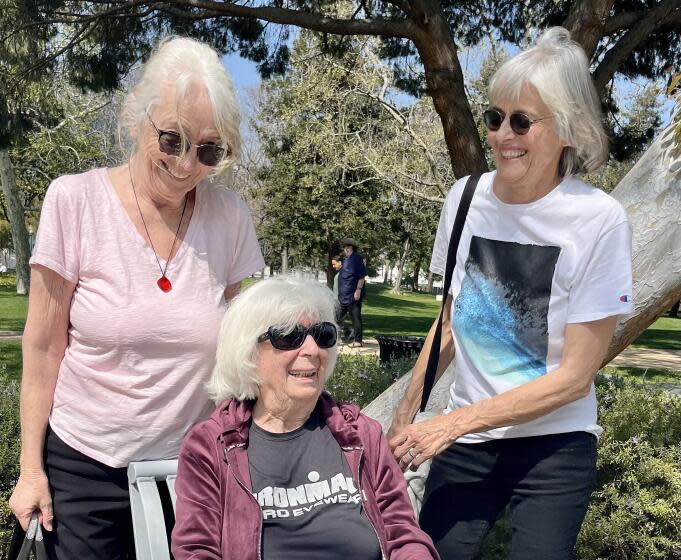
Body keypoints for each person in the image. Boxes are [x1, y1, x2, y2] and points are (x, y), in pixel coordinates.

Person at [9, 37, 265, 559]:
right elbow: (40, 350)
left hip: (187, 470)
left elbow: (232, 352)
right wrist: (30, 468)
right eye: (172, 139)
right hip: (83, 466)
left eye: (209, 150)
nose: (187, 164)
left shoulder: (230, 217)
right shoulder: (74, 200)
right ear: (135, 119)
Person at [387, 27, 634, 559]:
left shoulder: (599, 221)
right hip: (467, 443)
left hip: (554, 447)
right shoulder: (465, 198)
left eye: (522, 120)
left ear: (567, 127)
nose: (502, 135)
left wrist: (452, 423)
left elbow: (574, 379)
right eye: (495, 117)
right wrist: (406, 415)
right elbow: (450, 321)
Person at [171, 277, 439, 560]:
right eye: (289, 336)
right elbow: (196, 551)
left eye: (322, 335)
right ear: (247, 353)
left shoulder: (360, 433)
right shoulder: (211, 446)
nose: (312, 350)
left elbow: (402, 532)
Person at [337, 239, 367, 347]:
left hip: (352, 296)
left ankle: (358, 341)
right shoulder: (347, 260)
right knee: (338, 318)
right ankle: (337, 338)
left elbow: (361, 276)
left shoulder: (356, 259)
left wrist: (358, 290)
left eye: (346, 247)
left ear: (350, 248)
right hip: (343, 297)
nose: (344, 249)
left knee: (355, 317)